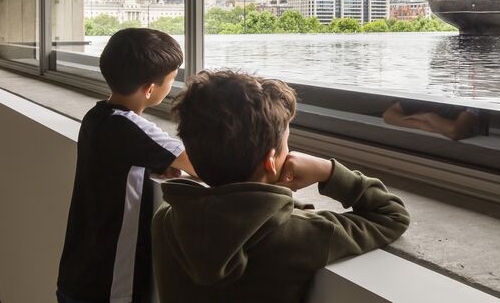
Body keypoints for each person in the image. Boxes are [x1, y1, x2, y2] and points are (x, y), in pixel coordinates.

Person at [153, 70, 410, 302]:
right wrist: (328, 171)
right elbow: (392, 215)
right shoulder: (306, 234)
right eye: (287, 142)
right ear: (270, 161)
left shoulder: (166, 219)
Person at [57, 28, 197, 303]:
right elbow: (201, 165)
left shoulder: (96, 117)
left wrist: (154, 164)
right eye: (172, 79)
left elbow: (118, 163)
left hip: (78, 272)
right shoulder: (131, 127)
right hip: (111, 284)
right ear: (149, 89)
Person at [382, 100, 485, 141]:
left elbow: (454, 131)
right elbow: (388, 115)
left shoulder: (472, 97)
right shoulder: (428, 91)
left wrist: (429, 117)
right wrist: (421, 124)